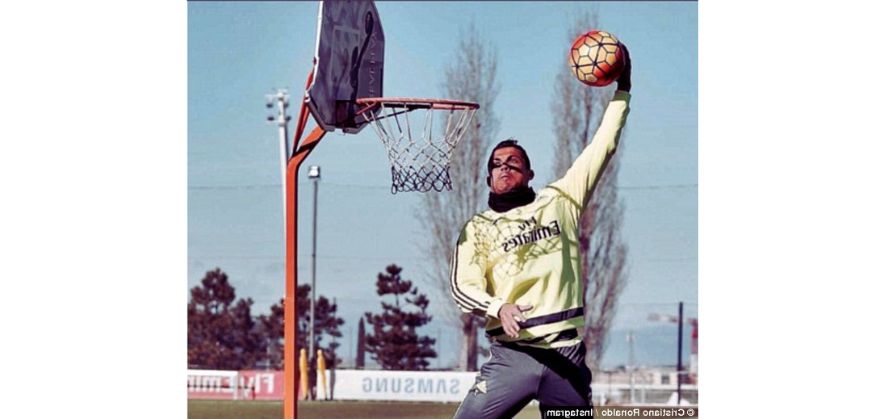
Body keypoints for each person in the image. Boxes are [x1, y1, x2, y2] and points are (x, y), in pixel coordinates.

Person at [450, 47, 632, 418]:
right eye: (497, 164)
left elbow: (602, 145)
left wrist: (623, 88)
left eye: (513, 163)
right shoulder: (478, 228)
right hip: (512, 355)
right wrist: (498, 306)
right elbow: (462, 289)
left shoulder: (560, 200)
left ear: (529, 174)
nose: (504, 168)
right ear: (488, 177)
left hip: (566, 355)